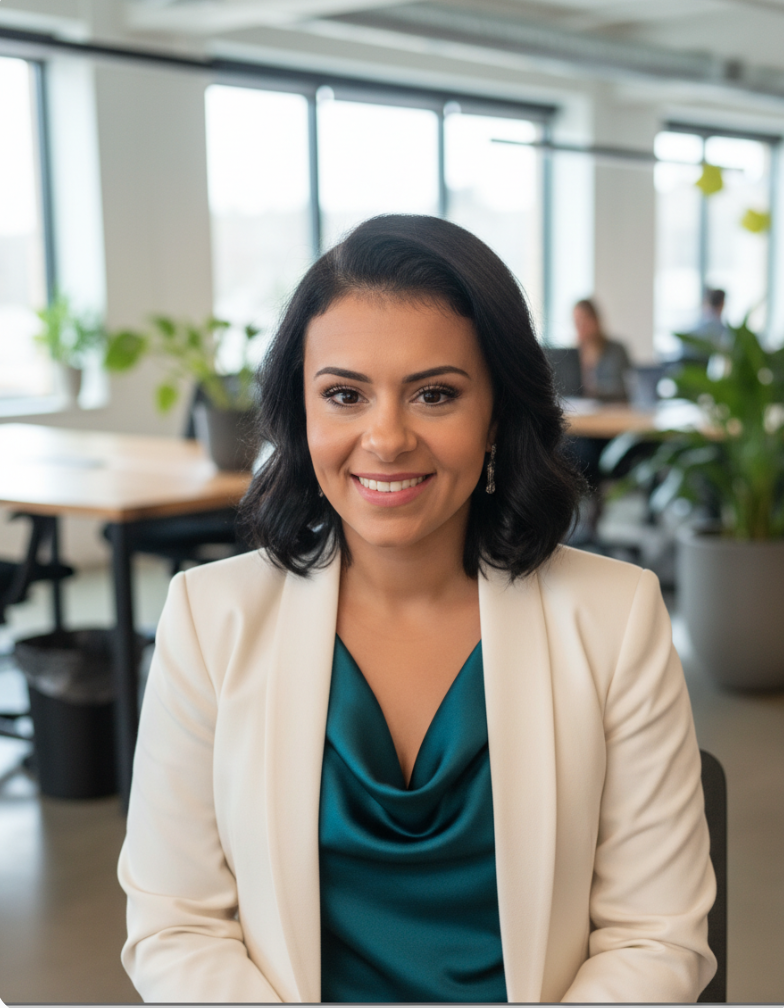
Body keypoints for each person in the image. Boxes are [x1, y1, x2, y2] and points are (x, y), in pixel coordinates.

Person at [118, 215, 716, 1004]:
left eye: (435, 394)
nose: (387, 438)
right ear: (302, 414)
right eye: (345, 395)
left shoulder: (616, 619)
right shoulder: (209, 619)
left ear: (498, 414)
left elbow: (655, 935)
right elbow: (177, 927)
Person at [573, 298, 632, 403]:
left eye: (583, 320)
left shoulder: (616, 351)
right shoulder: (572, 355)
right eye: (576, 322)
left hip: (611, 410)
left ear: (595, 320)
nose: (580, 327)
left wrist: (592, 391)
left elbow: (623, 387)